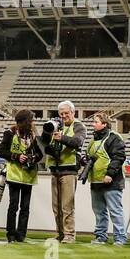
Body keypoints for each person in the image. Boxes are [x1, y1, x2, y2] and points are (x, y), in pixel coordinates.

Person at [43, 100, 85, 243]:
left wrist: (62, 138)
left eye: (66, 113)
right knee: (56, 207)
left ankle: (69, 235)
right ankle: (60, 233)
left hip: (69, 171)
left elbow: (77, 142)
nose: (64, 116)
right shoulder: (55, 127)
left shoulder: (78, 126)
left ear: (73, 112)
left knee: (67, 206)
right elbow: (46, 146)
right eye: (61, 114)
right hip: (55, 170)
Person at [0, 109, 42, 242]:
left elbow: (40, 154)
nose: (33, 123)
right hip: (14, 175)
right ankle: (10, 234)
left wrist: (33, 158)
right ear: (25, 122)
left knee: (25, 207)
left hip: (29, 176)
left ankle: (21, 234)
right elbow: (1, 151)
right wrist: (17, 157)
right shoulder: (10, 133)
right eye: (32, 120)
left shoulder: (34, 135)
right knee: (13, 205)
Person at [85, 112, 128, 245]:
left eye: (96, 122)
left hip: (112, 181)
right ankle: (100, 236)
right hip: (96, 181)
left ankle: (120, 238)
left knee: (115, 211)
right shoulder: (93, 140)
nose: (93, 124)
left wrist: (110, 174)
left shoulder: (114, 138)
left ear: (104, 124)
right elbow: (89, 156)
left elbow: (119, 157)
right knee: (99, 211)